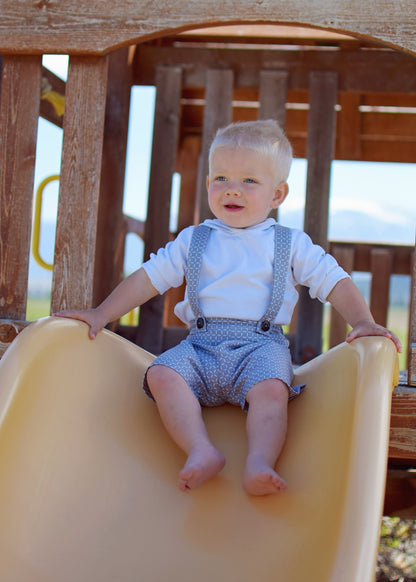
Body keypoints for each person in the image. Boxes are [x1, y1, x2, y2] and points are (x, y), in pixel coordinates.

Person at [55, 120, 402, 496]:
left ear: (277, 194)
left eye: (250, 181)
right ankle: (199, 449)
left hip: (261, 348)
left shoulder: (288, 243)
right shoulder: (194, 239)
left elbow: (334, 281)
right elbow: (147, 279)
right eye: (221, 178)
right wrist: (101, 314)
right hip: (201, 346)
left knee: (272, 391)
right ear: (208, 185)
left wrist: (363, 321)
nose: (232, 189)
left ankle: (260, 461)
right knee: (161, 375)